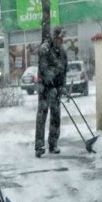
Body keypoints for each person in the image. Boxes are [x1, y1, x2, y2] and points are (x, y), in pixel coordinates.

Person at [34, 26, 68, 158]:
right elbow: (44, 69)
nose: (61, 41)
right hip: (45, 88)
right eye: (59, 38)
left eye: (62, 39)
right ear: (54, 38)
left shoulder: (62, 52)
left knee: (56, 116)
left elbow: (64, 70)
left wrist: (62, 86)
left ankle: (53, 144)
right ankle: (39, 146)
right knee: (42, 116)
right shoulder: (44, 49)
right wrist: (51, 85)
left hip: (56, 89)